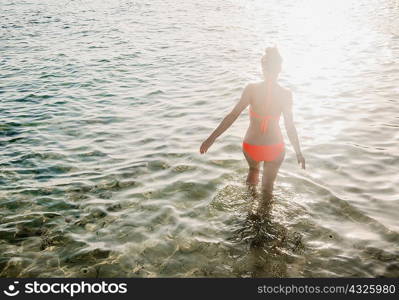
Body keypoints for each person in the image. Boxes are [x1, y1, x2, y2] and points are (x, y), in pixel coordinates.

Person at [199, 47, 305, 202]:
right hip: (274, 147)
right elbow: (290, 126)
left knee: (253, 173)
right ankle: (264, 220)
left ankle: (249, 214)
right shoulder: (285, 94)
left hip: (252, 146)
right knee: (268, 189)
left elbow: (233, 115)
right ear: (280, 69)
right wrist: (298, 152)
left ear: (262, 67)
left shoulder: (251, 89)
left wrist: (211, 138)